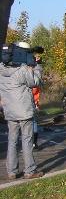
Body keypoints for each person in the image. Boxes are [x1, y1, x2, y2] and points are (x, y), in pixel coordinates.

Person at [0, 42, 44, 180]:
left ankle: (12, 171)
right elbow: (35, 82)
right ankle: (29, 171)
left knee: (12, 140)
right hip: (24, 110)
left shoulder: (1, 68)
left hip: (10, 110)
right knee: (27, 140)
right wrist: (37, 66)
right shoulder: (22, 70)